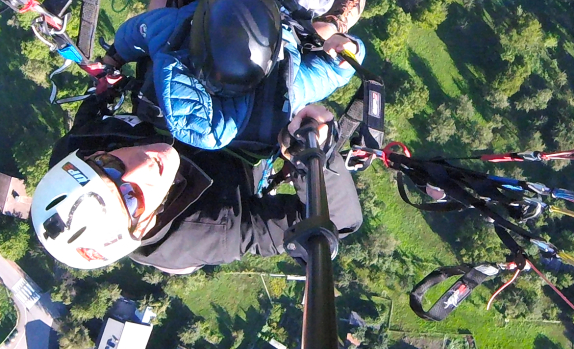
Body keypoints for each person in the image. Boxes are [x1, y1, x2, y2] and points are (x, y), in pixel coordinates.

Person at [101, 0, 370, 152]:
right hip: (280, 22)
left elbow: (136, 31)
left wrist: (112, 60)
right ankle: (332, 23)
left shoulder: (173, 29)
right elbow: (331, 72)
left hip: (222, 2)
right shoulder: (286, 87)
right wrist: (349, 52)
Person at [29, 102, 362, 272]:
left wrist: (106, 85)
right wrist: (315, 154)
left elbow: (85, 125)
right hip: (240, 159)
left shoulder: (75, 154)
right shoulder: (209, 230)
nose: (143, 166)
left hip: (179, 110)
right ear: (144, 226)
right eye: (130, 198)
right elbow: (333, 225)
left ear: (91, 156)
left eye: (111, 166)